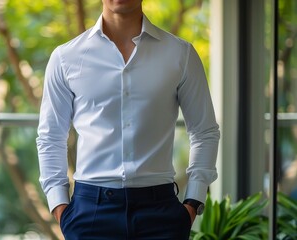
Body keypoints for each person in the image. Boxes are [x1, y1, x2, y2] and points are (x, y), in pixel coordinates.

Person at [36, 0, 220, 239]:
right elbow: (51, 137)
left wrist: (193, 202)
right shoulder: (65, 57)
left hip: (161, 213)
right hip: (90, 212)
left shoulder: (180, 54)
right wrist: (60, 206)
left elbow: (205, 131)